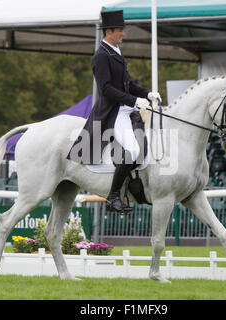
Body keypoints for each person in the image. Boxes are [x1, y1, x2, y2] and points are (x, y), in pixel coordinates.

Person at [67, 10, 161, 213]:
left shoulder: (115, 51)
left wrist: (147, 94)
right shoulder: (101, 55)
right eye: (120, 30)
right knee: (133, 150)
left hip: (127, 108)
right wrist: (135, 101)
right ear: (109, 31)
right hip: (114, 111)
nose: (123, 34)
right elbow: (107, 89)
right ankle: (113, 197)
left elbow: (127, 84)